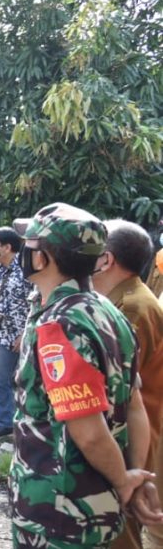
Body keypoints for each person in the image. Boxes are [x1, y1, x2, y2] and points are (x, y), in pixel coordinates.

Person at [10, 203, 163, 546]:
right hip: (89, 508)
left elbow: (88, 430)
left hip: (58, 513)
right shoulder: (107, 309)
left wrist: (126, 480)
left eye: (29, 245)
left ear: (42, 259)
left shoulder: (59, 325)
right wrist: (131, 475)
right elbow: (133, 403)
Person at [93, 220, 163, 548]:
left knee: (120, 532)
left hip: (132, 440)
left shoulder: (132, 307)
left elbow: (121, 389)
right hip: (123, 437)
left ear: (106, 260)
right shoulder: (122, 300)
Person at [0, 226, 33, 439]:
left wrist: (26, 333)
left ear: (7, 247)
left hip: (27, 334)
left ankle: (29, 427)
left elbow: (39, 301)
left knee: (28, 382)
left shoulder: (28, 268)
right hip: (1, 332)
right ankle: (5, 422)